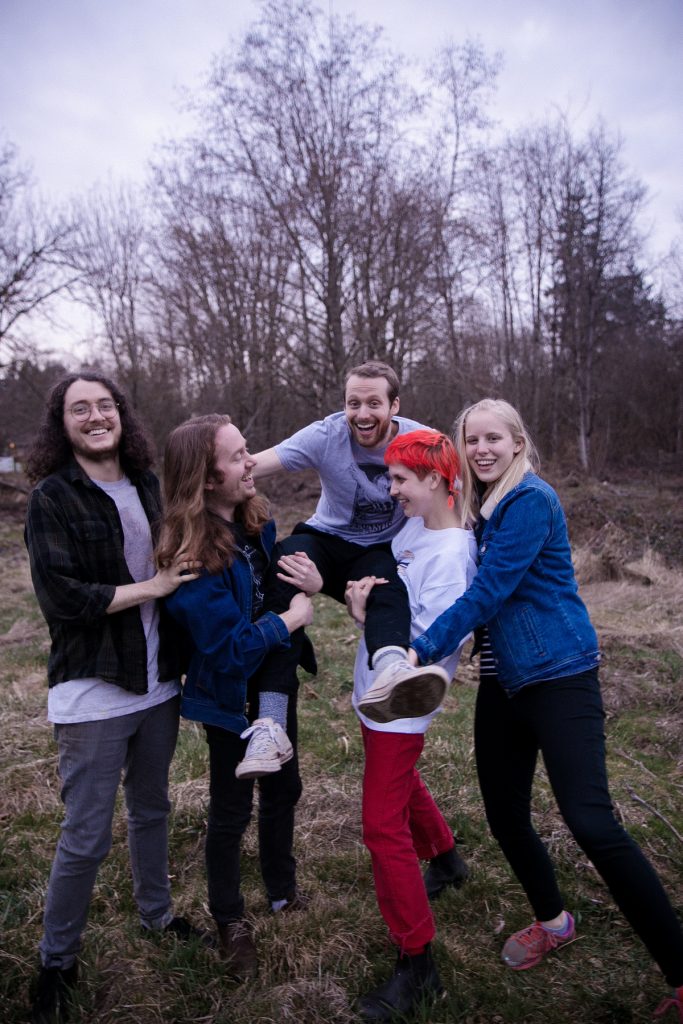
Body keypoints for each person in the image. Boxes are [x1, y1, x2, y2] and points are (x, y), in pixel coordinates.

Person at [380, 398, 683, 1020]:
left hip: (560, 678)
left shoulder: (530, 501)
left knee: (592, 822)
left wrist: (420, 650)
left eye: (495, 438)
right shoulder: (484, 511)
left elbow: (488, 593)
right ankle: (554, 920)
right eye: (472, 440)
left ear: (518, 443)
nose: (483, 449)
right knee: (506, 817)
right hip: (505, 685)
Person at [24, 372, 204, 1024]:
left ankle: (156, 915)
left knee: (153, 807)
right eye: (80, 409)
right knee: (86, 835)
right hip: (94, 689)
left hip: (157, 684)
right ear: (62, 424)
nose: (96, 416)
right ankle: (55, 962)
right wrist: (151, 589)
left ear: (121, 416)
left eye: (105, 405)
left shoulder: (147, 486)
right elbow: (64, 599)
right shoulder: (53, 497)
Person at [158, 413, 318, 978]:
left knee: (285, 787)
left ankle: (281, 888)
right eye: (238, 455)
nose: (252, 460)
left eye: (247, 450)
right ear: (205, 477)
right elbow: (226, 651)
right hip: (228, 695)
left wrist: (304, 591)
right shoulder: (191, 559)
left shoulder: (257, 525)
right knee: (231, 809)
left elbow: (277, 591)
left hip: (275, 682)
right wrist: (292, 620)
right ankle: (230, 919)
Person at [245, 360, 450, 777]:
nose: (362, 413)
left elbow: (459, 478)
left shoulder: (419, 439)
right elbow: (255, 464)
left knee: (388, 588)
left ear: (395, 405)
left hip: (376, 549)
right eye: (353, 403)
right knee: (284, 570)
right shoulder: (327, 433)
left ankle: (393, 669)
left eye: (374, 403)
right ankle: (269, 724)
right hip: (325, 538)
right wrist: (205, 472)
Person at [344, 430, 477, 1021]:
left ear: (435, 480)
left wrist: (367, 612)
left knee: (381, 827)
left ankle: (416, 960)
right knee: (400, 784)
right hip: (375, 692)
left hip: (401, 704)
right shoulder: (415, 530)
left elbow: (434, 646)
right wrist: (361, 603)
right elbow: (390, 595)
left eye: (400, 478)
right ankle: (446, 858)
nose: (390, 488)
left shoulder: (453, 554)